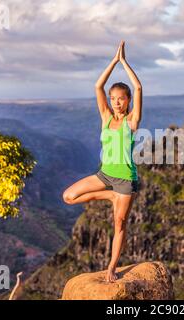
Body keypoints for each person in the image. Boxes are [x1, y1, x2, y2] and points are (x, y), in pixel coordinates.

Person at [62, 40, 142, 283]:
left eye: (121, 98)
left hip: (126, 180)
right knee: (68, 196)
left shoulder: (132, 121)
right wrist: (113, 61)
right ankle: (109, 196)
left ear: (127, 100)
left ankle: (111, 267)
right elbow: (98, 86)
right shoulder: (106, 117)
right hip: (104, 175)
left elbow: (138, 87)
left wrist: (125, 63)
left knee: (119, 224)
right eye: (114, 98)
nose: (117, 102)